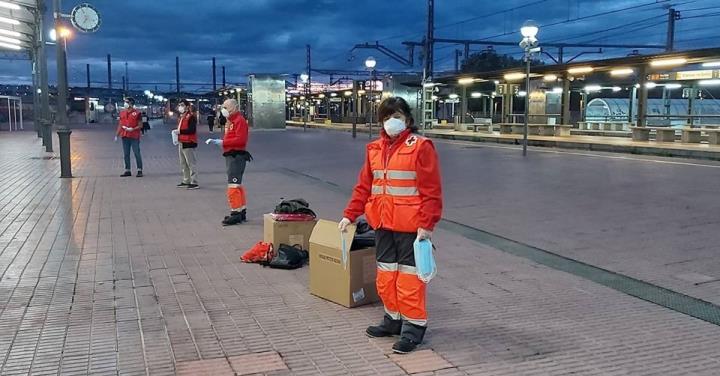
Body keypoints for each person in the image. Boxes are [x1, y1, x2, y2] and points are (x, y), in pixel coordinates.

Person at [339, 97, 442, 354]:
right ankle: (392, 319)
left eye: (395, 116)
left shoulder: (420, 146)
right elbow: (364, 186)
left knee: (409, 279)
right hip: (383, 224)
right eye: (385, 118)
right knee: (386, 276)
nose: (390, 122)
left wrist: (427, 225)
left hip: (411, 227)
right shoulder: (374, 149)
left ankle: (413, 328)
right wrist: (350, 214)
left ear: (407, 118)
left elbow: (432, 191)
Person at [207, 99, 252, 226]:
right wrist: (222, 141)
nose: (223, 109)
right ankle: (241, 211)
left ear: (233, 108)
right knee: (237, 185)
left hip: (236, 156)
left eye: (225, 107)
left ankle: (235, 213)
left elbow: (240, 140)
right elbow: (233, 137)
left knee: (233, 186)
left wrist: (223, 143)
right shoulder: (232, 121)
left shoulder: (239, 121)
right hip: (232, 155)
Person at [173, 99, 199, 189]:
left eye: (182, 105)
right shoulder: (181, 116)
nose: (180, 106)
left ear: (187, 106)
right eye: (179, 105)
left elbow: (192, 130)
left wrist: (180, 131)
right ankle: (186, 180)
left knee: (191, 163)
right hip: (181, 141)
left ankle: (194, 181)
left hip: (189, 142)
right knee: (183, 163)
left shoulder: (191, 116)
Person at [116, 97, 144, 177]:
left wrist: (133, 129)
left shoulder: (137, 113)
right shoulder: (122, 113)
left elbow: (140, 125)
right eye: (125, 102)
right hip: (124, 136)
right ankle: (127, 170)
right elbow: (120, 124)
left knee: (136, 153)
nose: (125, 103)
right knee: (126, 154)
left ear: (131, 103)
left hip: (134, 136)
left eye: (127, 102)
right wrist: (117, 134)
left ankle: (139, 170)